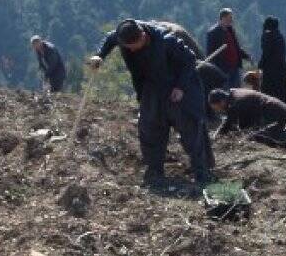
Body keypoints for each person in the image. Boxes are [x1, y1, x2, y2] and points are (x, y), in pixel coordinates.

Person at [88, 19, 214, 188]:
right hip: (152, 88)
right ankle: (155, 171)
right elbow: (111, 38)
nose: (130, 49)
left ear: (143, 36)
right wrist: (100, 55)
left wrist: (180, 87)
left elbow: (189, 60)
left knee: (190, 130)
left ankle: (201, 173)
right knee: (149, 128)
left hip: (177, 88)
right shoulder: (125, 36)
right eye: (127, 46)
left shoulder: (166, 40)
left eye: (133, 45)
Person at [257, 16, 286, 114]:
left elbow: (266, 53)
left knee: (267, 91)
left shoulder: (267, 36)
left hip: (271, 70)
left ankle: (268, 111)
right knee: (283, 90)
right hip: (282, 68)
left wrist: (260, 65)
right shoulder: (279, 36)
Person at [209, 87, 286, 137]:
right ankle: (281, 131)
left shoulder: (236, 103)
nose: (218, 110)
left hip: (276, 114)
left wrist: (217, 135)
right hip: (280, 110)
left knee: (256, 137)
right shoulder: (234, 93)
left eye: (218, 107)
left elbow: (228, 123)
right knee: (254, 132)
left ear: (222, 101)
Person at [205, 8, 251, 88]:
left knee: (236, 92)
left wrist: (246, 56)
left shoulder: (230, 30)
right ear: (223, 18)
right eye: (230, 18)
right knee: (225, 92)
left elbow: (236, 47)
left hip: (235, 68)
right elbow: (210, 53)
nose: (231, 20)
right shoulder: (213, 33)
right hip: (223, 69)